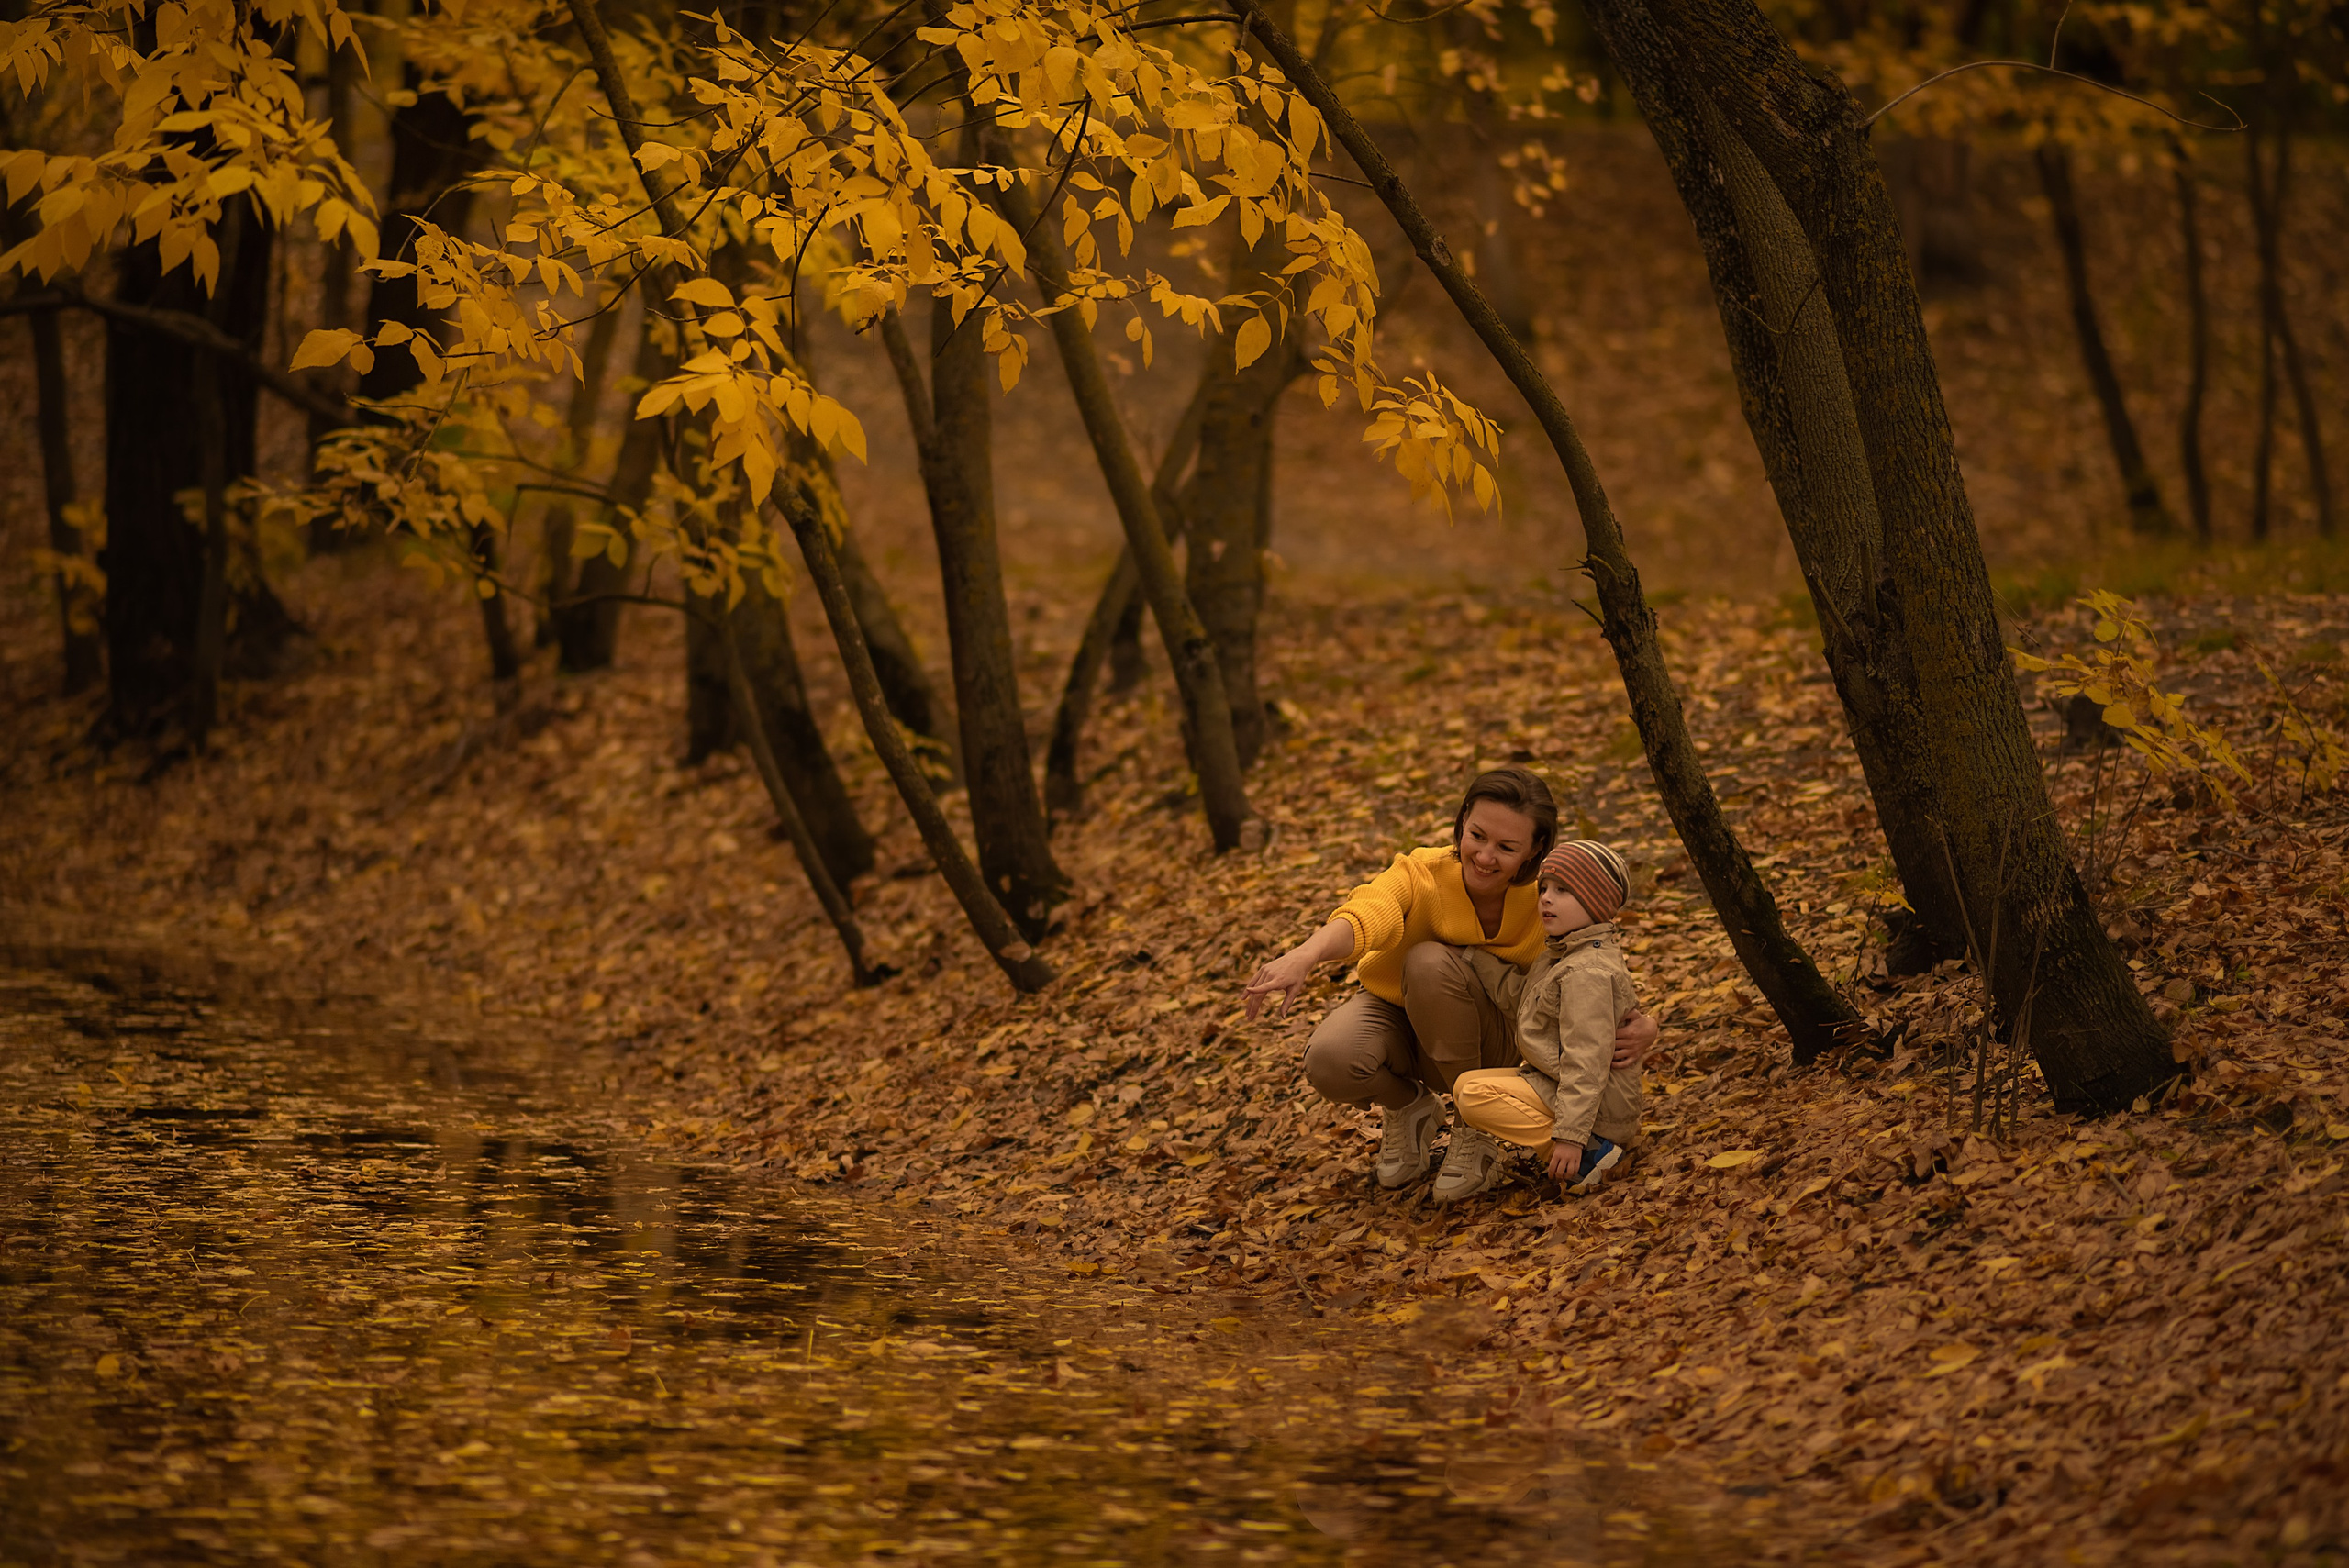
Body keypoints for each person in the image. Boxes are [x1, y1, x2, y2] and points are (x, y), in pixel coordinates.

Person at [1241, 768, 1658, 1191]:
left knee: (1428, 962)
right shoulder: (1424, 872)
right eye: (1477, 836)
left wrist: (1644, 1025)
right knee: (1330, 1059)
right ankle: (1411, 1109)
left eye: (1506, 847)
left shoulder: (1553, 897)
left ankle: (1473, 1131)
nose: (1485, 856)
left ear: (1535, 849)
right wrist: (1306, 954)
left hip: (1496, 1039)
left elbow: (1592, 973)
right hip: (1402, 1015)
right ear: (1462, 821)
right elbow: (1369, 911)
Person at [1443, 839, 1646, 1204]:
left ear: (1596, 901)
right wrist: (1470, 957)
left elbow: (1586, 1061)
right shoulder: (1563, 953)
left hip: (1598, 1109)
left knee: (1474, 1096)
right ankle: (1582, 1146)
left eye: (1563, 890)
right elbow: (1521, 998)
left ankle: (1588, 1155)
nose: (1546, 899)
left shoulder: (1587, 972)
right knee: (1465, 1085)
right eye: (1544, 889)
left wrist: (1570, 1136)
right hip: (1558, 1084)